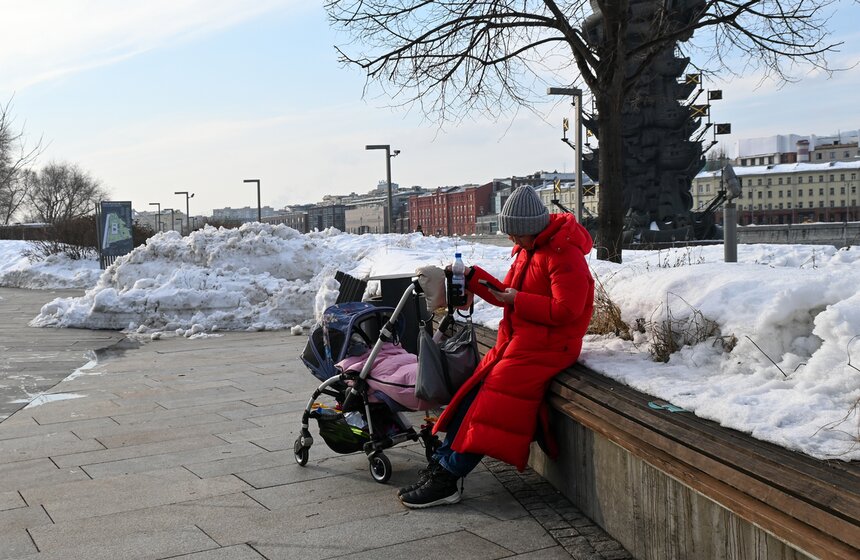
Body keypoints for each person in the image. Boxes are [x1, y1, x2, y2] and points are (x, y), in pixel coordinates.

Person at [399, 185, 595, 509]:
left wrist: (518, 300)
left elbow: (566, 310)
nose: (511, 241)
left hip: (551, 347)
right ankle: (444, 462)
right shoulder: (531, 249)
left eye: (515, 234)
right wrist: (473, 277)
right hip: (520, 341)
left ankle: (448, 476)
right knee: (472, 395)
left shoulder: (564, 254)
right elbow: (510, 294)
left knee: (491, 406)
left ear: (530, 228)